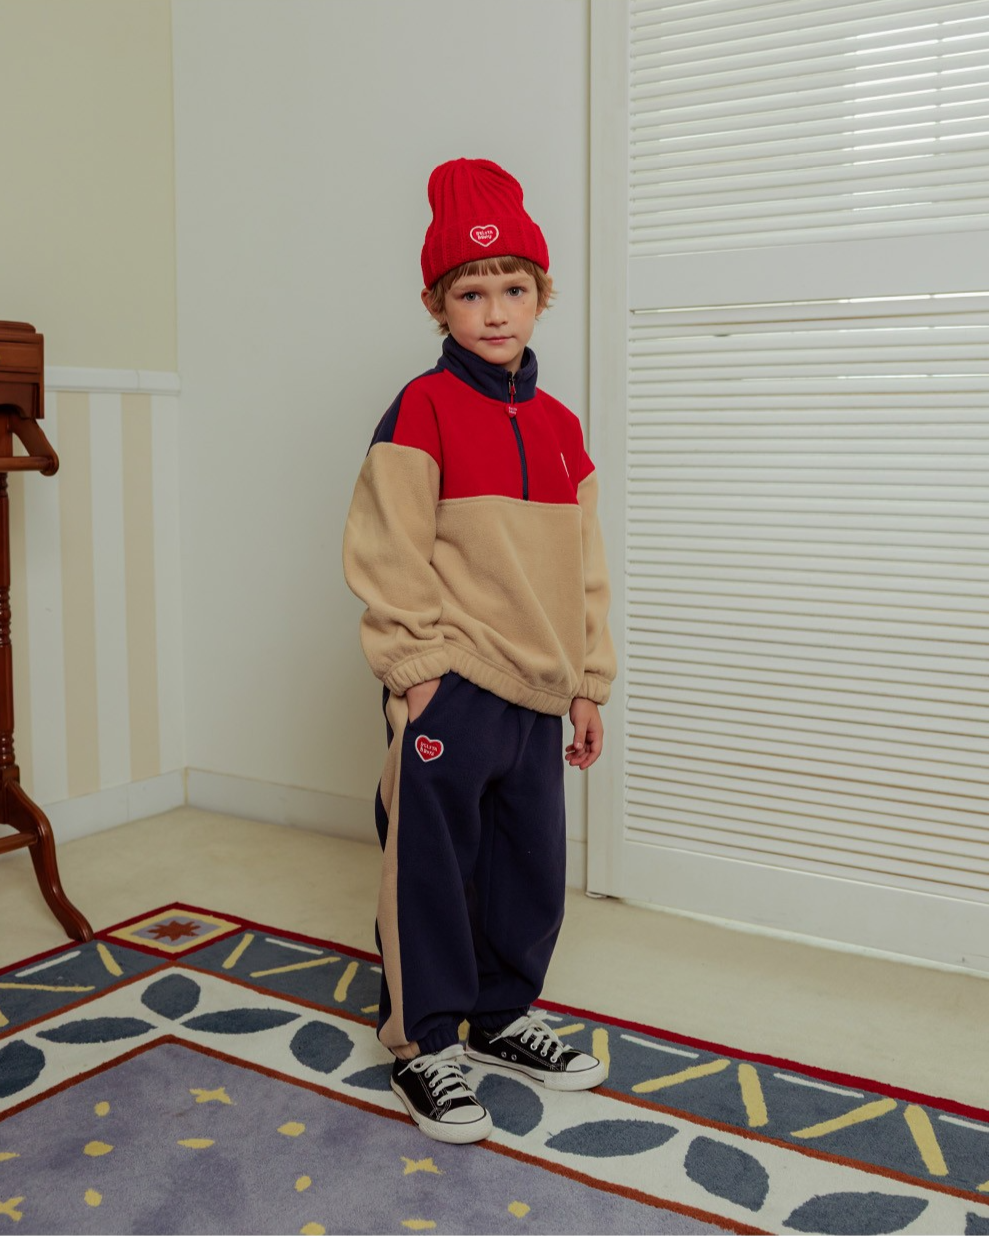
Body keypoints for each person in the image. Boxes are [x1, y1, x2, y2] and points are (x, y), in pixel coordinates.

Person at [343, 157, 617, 1144]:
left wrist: (586, 682)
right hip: (451, 682)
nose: (493, 310)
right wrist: (415, 671)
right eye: (470, 292)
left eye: (511, 289)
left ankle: (501, 1016)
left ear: (541, 296)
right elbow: (386, 549)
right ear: (437, 303)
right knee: (429, 864)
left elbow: (583, 570)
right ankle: (426, 1043)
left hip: (538, 692)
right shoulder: (421, 410)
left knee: (525, 864)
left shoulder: (561, 432)